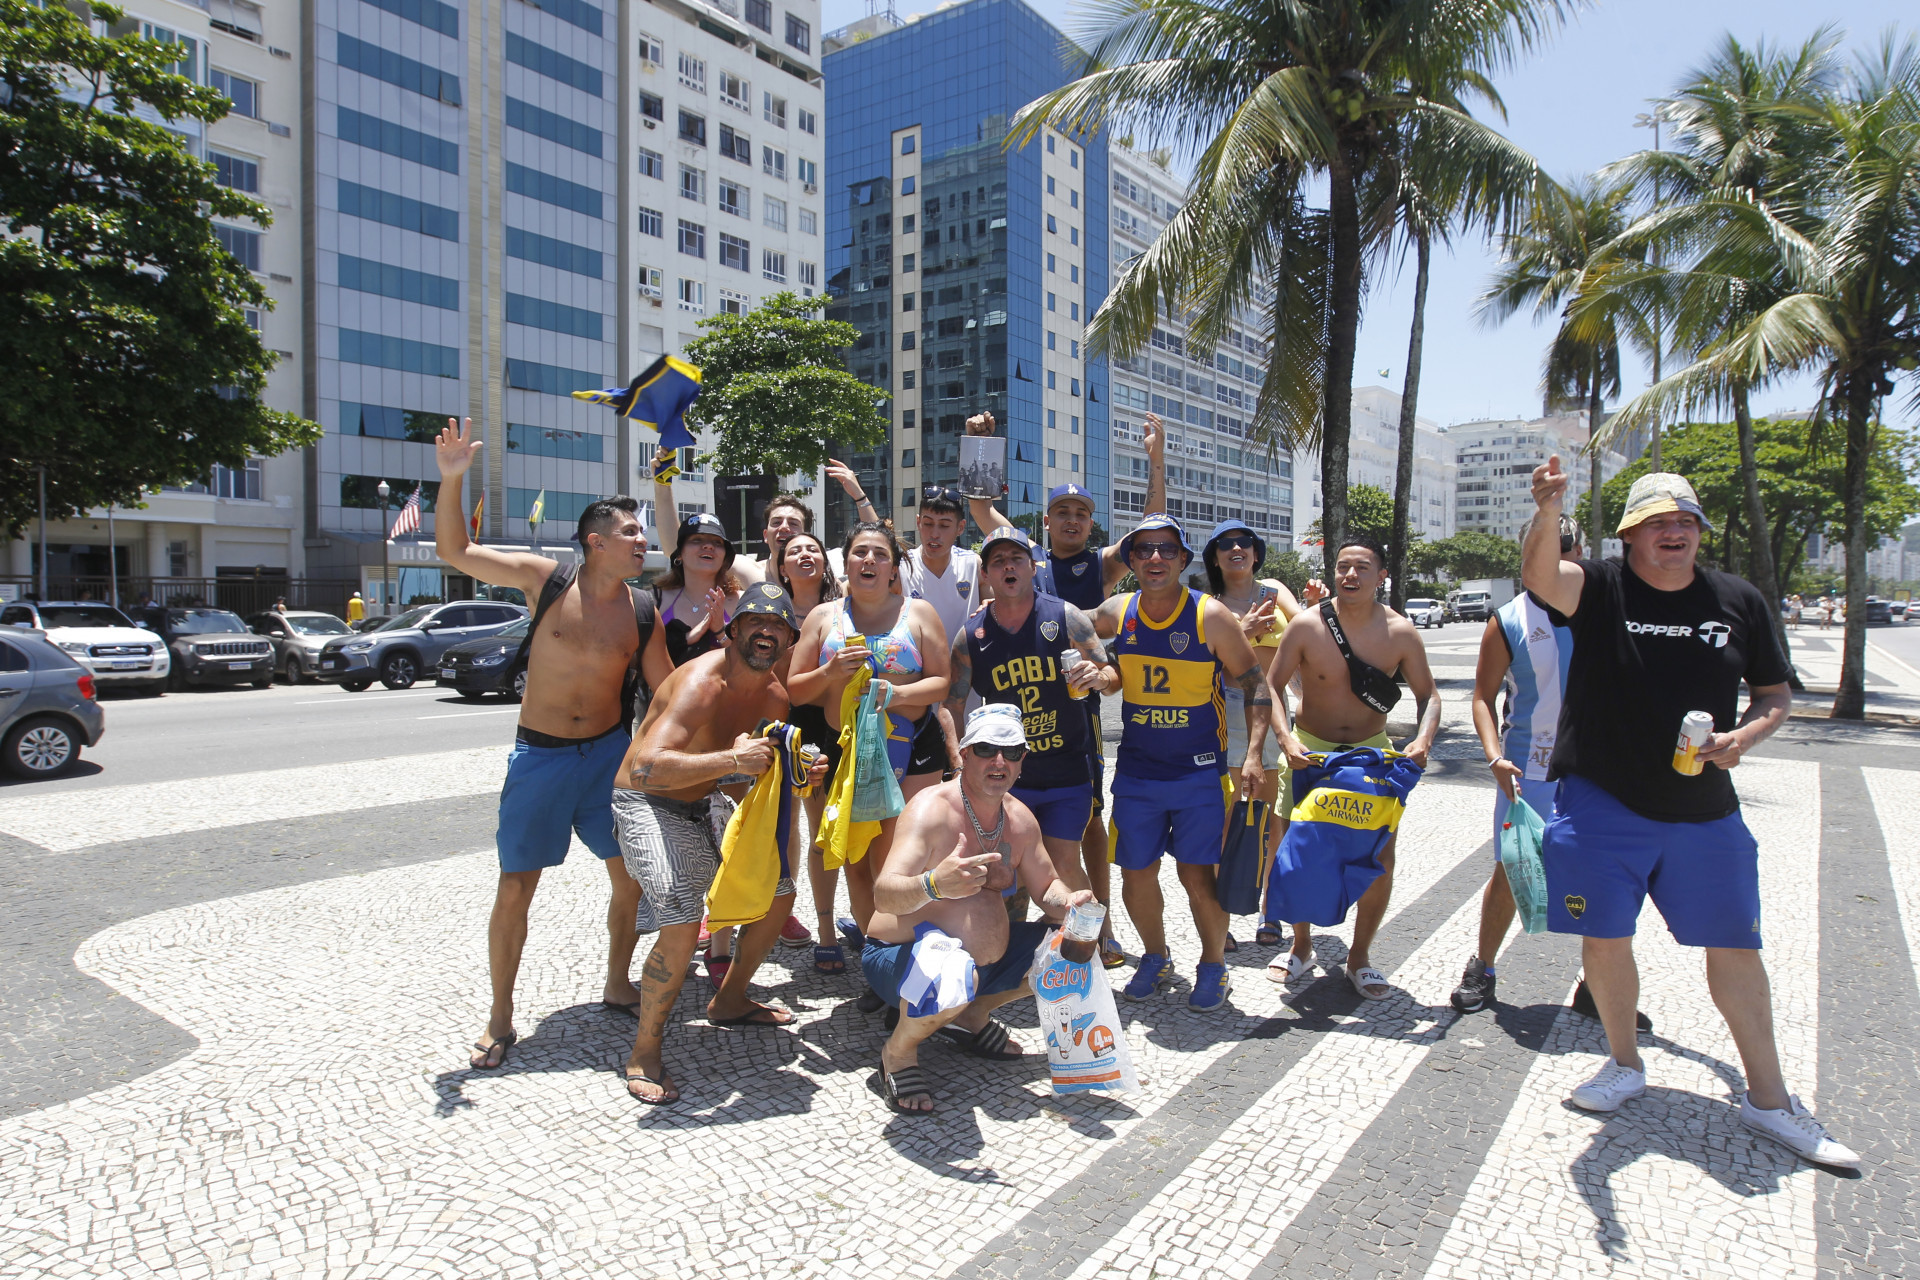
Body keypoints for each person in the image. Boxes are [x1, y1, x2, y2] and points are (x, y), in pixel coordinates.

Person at [1521, 461, 1857, 1167]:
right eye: (1657, 522)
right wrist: (1549, 510)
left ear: (1699, 531)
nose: (1674, 532)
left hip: (1704, 808)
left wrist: (1747, 737)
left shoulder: (1739, 600)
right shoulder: (1603, 585)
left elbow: (1773, 693)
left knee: (1736, 944)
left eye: (1685, 521)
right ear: (1631, 535)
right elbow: (1542, 579)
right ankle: (1623, 1062)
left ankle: (1770, 1100)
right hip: (1602, 797)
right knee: (1607, 939)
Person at [431, 417, 675, 1070]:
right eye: (629, 530)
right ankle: (501, 1016)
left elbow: (671, 694)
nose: (639, 539)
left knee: (631, 878)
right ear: (594, 542)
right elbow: (456, 552)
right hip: (539, 756)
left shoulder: (643, 609)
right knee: (516, 885)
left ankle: (617, 981)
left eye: (641, 530)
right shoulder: (547, 580)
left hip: (606, 757)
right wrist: (452, 479)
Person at [965, 409, 1169, 965]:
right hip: (1019, 733)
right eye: (1063, 512)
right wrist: (979, 443)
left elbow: (1151, 529)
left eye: (1082, 512)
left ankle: (1098, 931)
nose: (1073, 521)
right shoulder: (1025, 559)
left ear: (1091, 522)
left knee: (1087, 832)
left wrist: (1156, 462)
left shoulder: (1098, 568)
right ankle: (1027, 943)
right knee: (1022, 841)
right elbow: (981, 510)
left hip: (1077, 724)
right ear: (1047, 521)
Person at [612, 582, 829, 1104]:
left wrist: (799, 772)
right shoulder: (701, 684)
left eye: (778, 626)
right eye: (756, 621)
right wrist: (732, 762)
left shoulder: (776, 696)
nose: (766, 633)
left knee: (780, 894)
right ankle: (644, 1048)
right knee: (685, 917)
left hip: (704, 798)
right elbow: (644, 768)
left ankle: (730, 1000)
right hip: (644, 800)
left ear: (789, 641)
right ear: (733, 630)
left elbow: (749, 775)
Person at [863, 704, 1096, 1113]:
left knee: (1073, 949)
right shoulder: (930, 809)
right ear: (965, 754)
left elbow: (1046, 887)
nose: (999, 761)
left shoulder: (1019, 819)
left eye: (1012, 751)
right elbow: (884, 894)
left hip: (981, 963)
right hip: (900, 959)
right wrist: (935, 884)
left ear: (1024, 758)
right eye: (987, 749)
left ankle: (970, 1016)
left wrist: (1070, 900)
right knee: (951, 971)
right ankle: (897, 1055)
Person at [1089, 514, 1272, 1011]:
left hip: (1199, 773)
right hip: (1137, 772)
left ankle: (1214, 965)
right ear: (1129, 561)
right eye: (1144, 549)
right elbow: (1064, 620)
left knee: (1198, 876)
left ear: (1184, 560)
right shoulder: (1117, 611)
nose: (1155, 558)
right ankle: (1155, 955)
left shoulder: (1210, 616)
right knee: (1136, 873)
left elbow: (1257, 683)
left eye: (1167, 550)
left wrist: (1253, 754)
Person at [1264, 536, 1440, 999]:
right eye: (1343, 567)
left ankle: (1359, 957)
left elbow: (1430, 696)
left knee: (1378, 858)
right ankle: (1302, 946)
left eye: (1362, 568)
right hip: (1310, 754)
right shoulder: (1305, 626)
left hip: (1371, 754)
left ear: (1381, 576)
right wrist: (1284, 739)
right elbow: (1272, 685)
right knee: (1297, 855)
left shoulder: (1400, 632)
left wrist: (1422, 739)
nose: (1350, 575)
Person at [788, 522, 952, 953]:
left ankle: (913, 955)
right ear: (846, 564)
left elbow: (941, 683)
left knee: (899, 860)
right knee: (857, 864)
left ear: (894, 568)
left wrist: (898, 693)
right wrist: (829, 672)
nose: (870, 561)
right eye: (860, 552)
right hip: (846, 753)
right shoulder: (825, 617)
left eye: (880, 554)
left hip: (913, 749)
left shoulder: (919, 614)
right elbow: (795, 688)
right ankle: (877, 961)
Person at [945, 527, 1115, 912]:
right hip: (1006, 772)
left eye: (1016, 559)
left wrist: (1099, 677)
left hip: (1067, 767)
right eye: (998, 561)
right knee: (1007, 871)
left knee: (1064, 863)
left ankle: (1096, 941)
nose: (1008, 567)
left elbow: (1111, 675)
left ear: (1033, 566)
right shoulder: (972, 635)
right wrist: (958, 759)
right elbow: (951, 705)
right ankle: (1013, 954)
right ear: (986, 574)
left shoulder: (1065, 617)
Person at [1197, 518, 1322, 946]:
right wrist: (1242, 635)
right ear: (1214, 556)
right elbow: (1205, 670)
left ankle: (1270, 911)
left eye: (1245, 542)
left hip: (1273, 714)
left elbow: (1311, 630)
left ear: (1255, 551)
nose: (1237, 548)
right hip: (1226, 714)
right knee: (1227, 820)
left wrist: (1317, 604)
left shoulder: (1273, 590)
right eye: (1226, 543)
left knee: (1270, 821)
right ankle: (1222, 917)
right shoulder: (1208, 604)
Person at [775, 532, 856, 973]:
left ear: (826, 561)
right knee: (820, 829)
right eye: (793, 551)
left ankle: (868, 918)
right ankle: (826, 930)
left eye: (813, 548)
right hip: (802, 729)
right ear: (780, 566)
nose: (805, 555)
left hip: (855, 724)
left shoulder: (850, 601)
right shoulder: (771, 607)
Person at [899, 487, 981, 796]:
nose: (935, 533)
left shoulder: (973, 565)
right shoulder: (901, 566)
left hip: (964, 692)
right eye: (928, 523)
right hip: (915, 690)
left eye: (945, 525)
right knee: (920, 790)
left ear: (960, 528)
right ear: (918, 522)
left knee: (965, 781)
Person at [652, 512, 744, 668]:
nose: (708, 546)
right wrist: (685, 639)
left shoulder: (743, 601)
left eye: (717, 542)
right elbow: (637, 657)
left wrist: (720, 631)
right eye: (697, 540)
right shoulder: (656, 599)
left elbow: (753, 662)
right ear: (679, 554)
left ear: (725, 557)